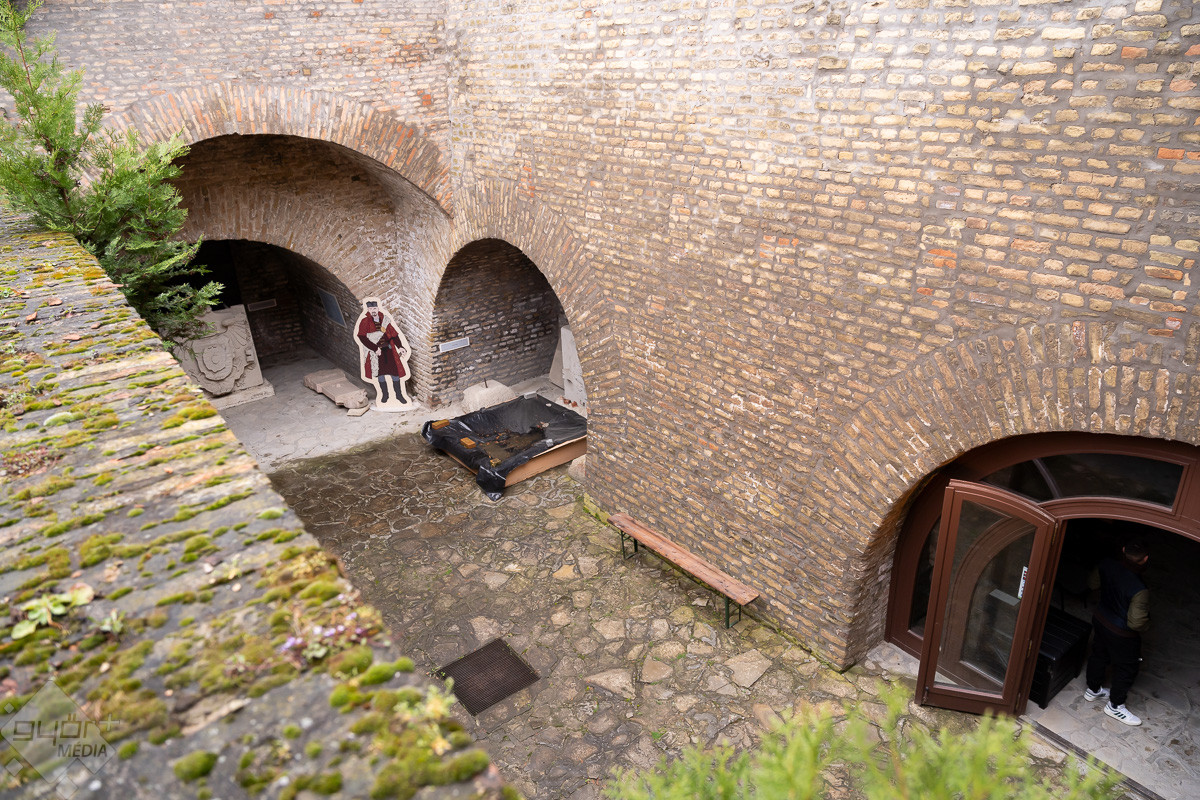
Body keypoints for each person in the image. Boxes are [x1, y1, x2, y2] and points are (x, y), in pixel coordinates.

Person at [1083, 538, 1150, 726]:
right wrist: (1148, 625)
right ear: (1145, 559)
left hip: (1101, 619)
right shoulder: (1140, 589)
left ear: (1123, 550)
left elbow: (1092, 583)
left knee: (1099, 654)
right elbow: (1136, 622)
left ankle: (1093, 689)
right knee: (1126, 668)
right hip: (1121, 633)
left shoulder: (1106, 564)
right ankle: (1115, 706)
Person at [354, 298, 411, 409]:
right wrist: (375, 348)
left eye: (374, 308)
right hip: (376, 353)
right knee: (380, 374)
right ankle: (385, 395)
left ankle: (399, 395)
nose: (373, 310)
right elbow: (362, 337)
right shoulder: (365, 322)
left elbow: (394, 335)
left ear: (378, 308)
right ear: (368, 309)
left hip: (389, 351)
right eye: (371, 309)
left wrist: (400, 347)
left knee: (395, 373)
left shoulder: (385, 320)